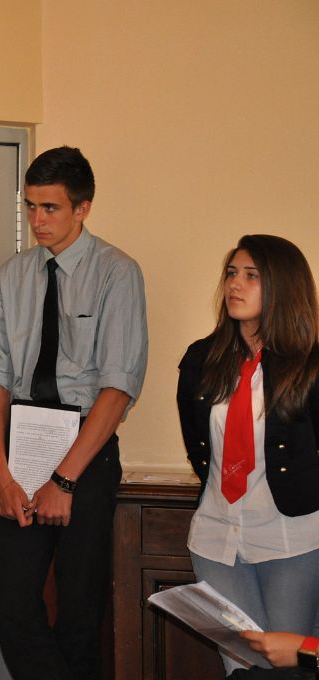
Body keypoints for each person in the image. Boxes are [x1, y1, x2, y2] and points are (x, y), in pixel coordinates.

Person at [0, 146, 148, 679]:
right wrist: (0, 473)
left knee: (80, 614)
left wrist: (65, 480)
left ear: (83, 208)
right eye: (30, 206)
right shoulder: (11, 276)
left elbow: (118, 389)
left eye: (50, 208)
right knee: (11, 607)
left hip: (85, 446)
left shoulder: (117, 273)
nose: (37, 220)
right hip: (22, 439)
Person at [177, 234, 319, 676]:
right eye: (231, 273)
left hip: (289, 537)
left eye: (252, 276)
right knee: (241, 668)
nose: (235, 284)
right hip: (216, 536)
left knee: (288, 668)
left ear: (282, 286)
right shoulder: (201, 358)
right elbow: (199, 445)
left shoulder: (311, 364)